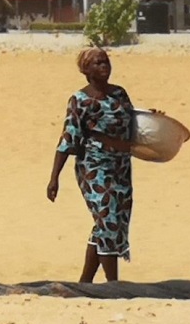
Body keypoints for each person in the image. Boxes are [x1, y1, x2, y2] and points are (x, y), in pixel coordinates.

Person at [46, 47, 139, 282]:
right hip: (94, 167)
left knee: (110, 222)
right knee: (108, 220)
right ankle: (113, 284)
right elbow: (68, 137)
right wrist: (54, 177)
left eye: (106, 61)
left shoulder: (119, 94)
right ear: (86, 70)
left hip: (121, 167)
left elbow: (134, 122)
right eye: (97, 63)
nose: (104, 66)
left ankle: (85, 282)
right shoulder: (80, 100)